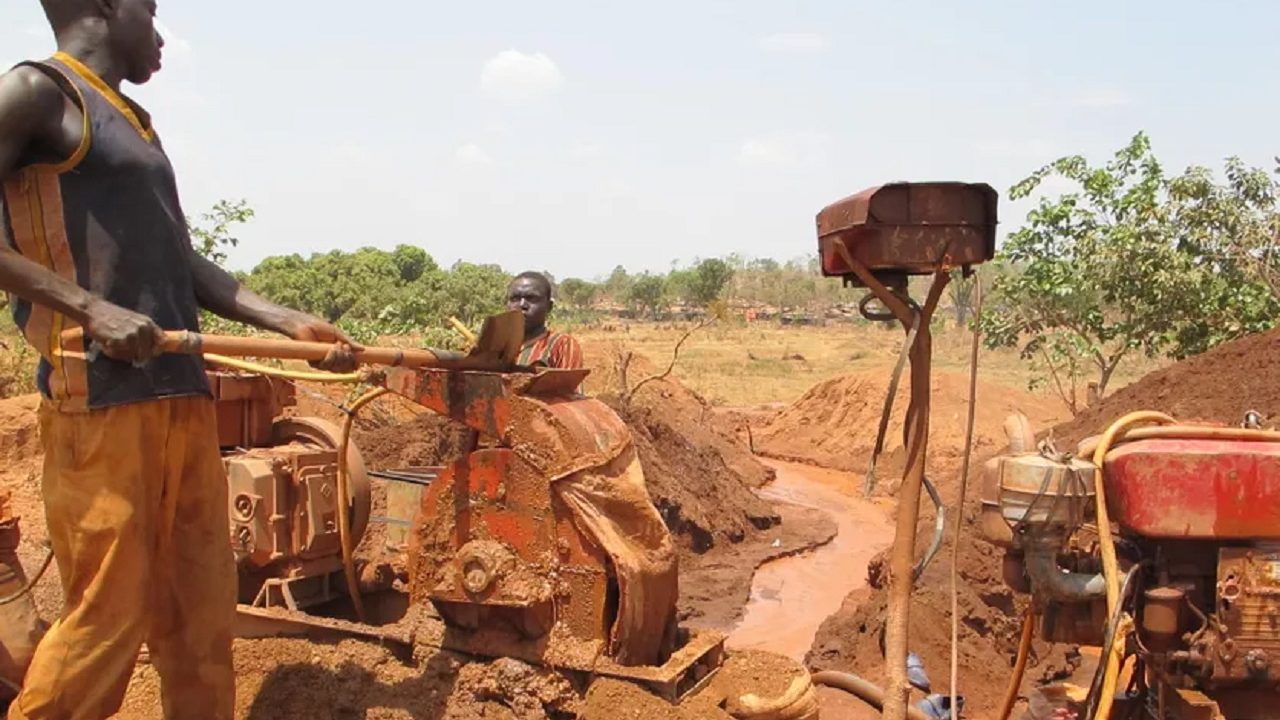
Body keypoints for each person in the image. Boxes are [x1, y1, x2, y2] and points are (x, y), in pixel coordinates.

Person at [0, 2, 356, 718]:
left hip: (181, 397)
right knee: (106, 620)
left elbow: (179, 260)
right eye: (151, 10)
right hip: (101, 402)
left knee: (201, 619)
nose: (161, 35)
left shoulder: (132, 124)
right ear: (106, 6)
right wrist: (90, 309)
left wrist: (285, 321)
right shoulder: (36, 92)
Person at [506, 271, 583, 370]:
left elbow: (568, 380)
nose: (522, 305)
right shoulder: (494, 346)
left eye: (531, 298)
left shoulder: (562, 346)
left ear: (549, 306)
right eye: (515, 299)